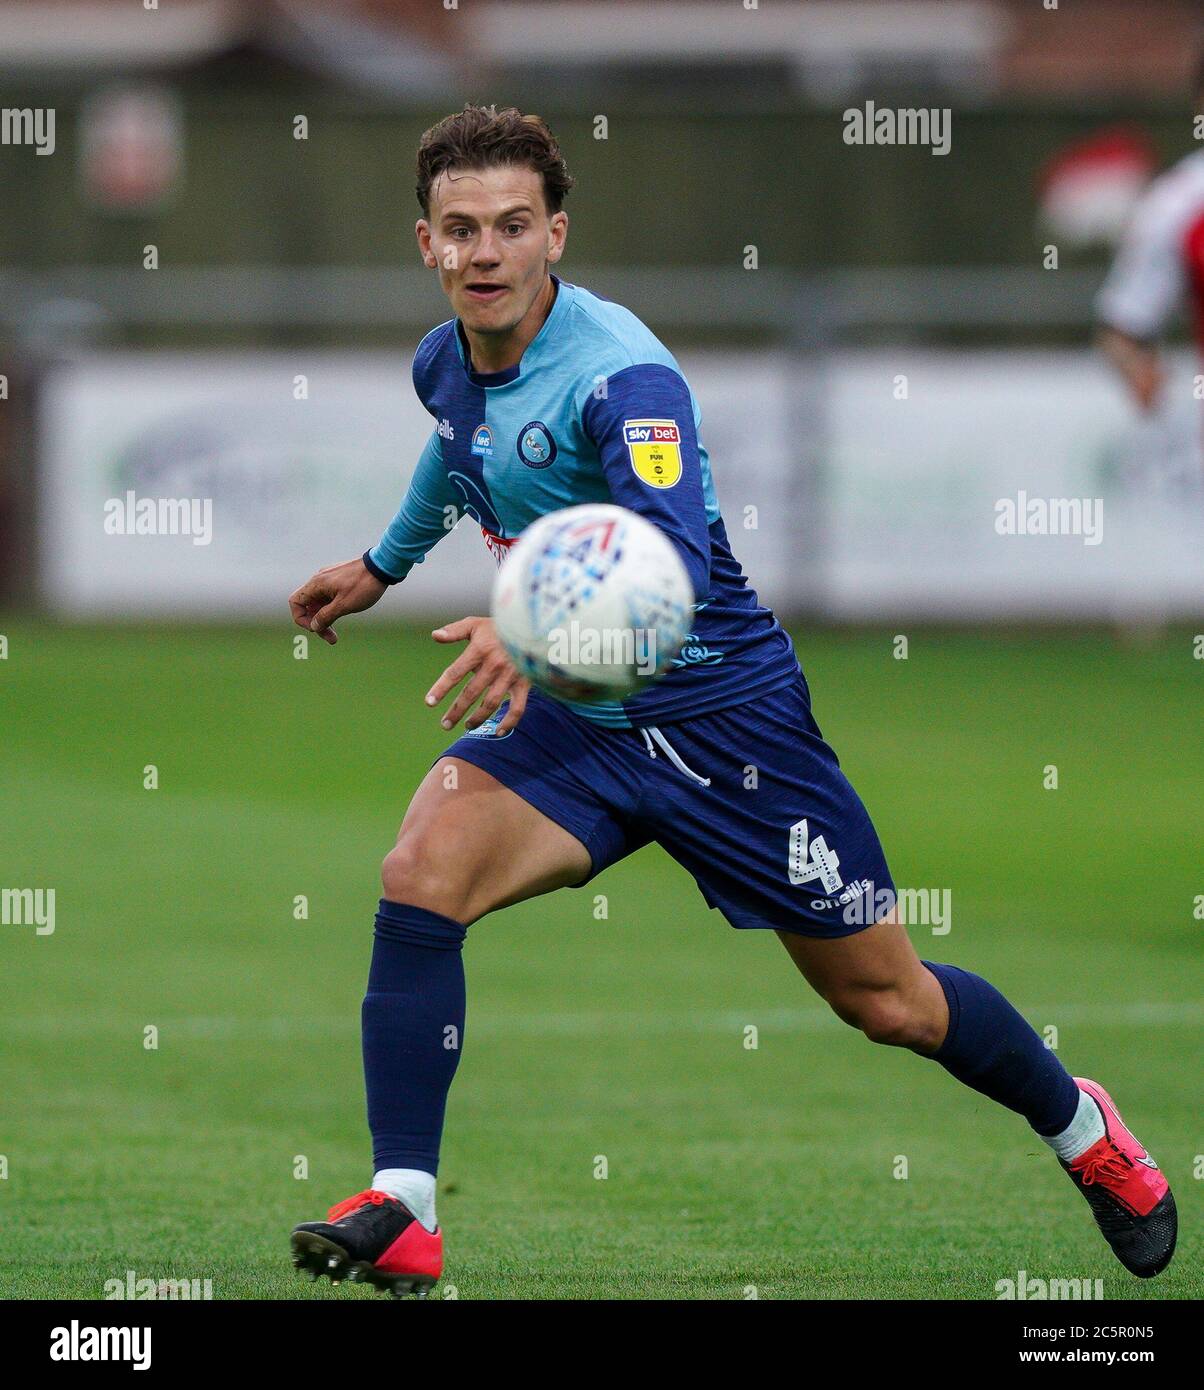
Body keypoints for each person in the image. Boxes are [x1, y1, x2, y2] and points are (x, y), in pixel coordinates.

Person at [288, 105, 1176, 1297]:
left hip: (726, 726)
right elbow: (457, 450)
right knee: (420, 872)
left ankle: (1083, 1129)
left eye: (510, 226)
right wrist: (384, 565)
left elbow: (671, 569)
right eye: (461, 230)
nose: (485, 251)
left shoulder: (623, 378)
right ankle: (404, 1205)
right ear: (426, 245)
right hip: (581, 718)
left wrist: (525, 623)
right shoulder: (445, 356)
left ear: (556, 235)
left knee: (891, 1002)